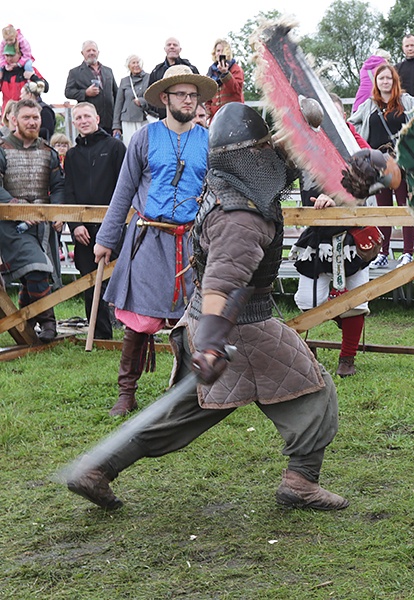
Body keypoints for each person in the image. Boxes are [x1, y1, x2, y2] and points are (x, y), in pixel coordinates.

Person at [66, 102, 349, 513]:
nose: (277, 154)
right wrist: (213, 343)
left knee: (187, 411)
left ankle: (96, 468)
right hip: (237, 325)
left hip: (210, 321)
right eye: (268, 147)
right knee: (313, 389)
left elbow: (288, 163)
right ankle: (301, 482)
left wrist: (330, 146)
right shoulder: (241, 216)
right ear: (251, 155)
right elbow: (223, 281)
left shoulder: (232, 182)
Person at [94, 65, 216, 416]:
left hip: (192, 243)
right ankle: (126, 392)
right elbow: (124, 191)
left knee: (195, 320)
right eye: (181, 94)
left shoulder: (208, 141)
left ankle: (193, 393)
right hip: (149, 238)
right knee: (140, 319)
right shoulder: (144, 139)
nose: (189, 101)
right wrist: (106, 238)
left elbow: (218, 191)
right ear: (165, 98)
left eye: (193, 95)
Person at [293, 94, 377, 378]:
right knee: (308, 301)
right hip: (318, 235)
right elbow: (297, 188)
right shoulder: (307, 147)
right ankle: (330, 324)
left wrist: (337, 199)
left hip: (352, 233)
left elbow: (369, 180)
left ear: (342, 116)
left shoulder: (356, 145)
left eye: (334, 114)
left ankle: (348, 357)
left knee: (357, 300)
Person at [0, 98, 65, 343]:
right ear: (14, 119)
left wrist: (56, 212)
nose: (32, 122)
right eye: (26, 117)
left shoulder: (48, 151)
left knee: (38, 274)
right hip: (11, 225)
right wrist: (19, 207)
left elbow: (58, 186)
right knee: (37, 266)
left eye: (35, 117)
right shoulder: (2, 148)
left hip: (43, 223)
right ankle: (49, 322)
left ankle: (26, 322)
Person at [63, 102, 127, 341]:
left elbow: (125, 187)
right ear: (74, 123)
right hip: (83, 230)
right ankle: (99, 336)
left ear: (97, 118)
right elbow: (68, 191)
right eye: (78, 117)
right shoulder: (71, 155)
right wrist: (75, 225)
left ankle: (132, 332)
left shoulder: (115, 148)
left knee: (118, 280)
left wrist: (115, 226)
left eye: (87, 116)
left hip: (113, 226)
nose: (83, 120)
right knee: (89, 282)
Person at [348, 63, 414, 268]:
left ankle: (407, 253)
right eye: (381, 79)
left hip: (403, 163)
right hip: (378, 165)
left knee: (406, 208)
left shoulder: (406, 101)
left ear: (394, 80)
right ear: (376, 82)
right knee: (383, 209)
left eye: (388, 78)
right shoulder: (369, 105)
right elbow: (351, 125)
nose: (385, 82)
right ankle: (384, 252)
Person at [64, 41, 117, 134]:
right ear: (82, 53)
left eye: (94, 50)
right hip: (89, 121)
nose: (91, 53)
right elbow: (68, 92)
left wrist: (117, 121)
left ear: (98, 52)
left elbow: (116, 94)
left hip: (110, 120)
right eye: (88, 51)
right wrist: (85, 93)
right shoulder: (75, 72)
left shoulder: (108, 71)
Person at [147, 38, 200, 119]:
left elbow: (197, 92)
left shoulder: (190, 69)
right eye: (169, 45)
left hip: (186, 115)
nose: (172, 47)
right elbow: (151, 94)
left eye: (175, 45)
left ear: (180, 49)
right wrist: (159, 110)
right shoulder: (156, 71)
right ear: (165, 49)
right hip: (163, 116)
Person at [112, 55, 152, 146]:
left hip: (144, 118)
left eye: (138, 62)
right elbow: (119, 104)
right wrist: (116, 126)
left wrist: (143, 101)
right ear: (128, 66)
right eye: (133, 63)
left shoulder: (149, 78)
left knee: (145, 145)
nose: (136, 65)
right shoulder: (124, 81)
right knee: (130, 146)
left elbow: (153, 97)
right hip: (128, 119)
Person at [205, 39, 244, 118]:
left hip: (233, 115)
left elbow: (236, 90)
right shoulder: (211, 72)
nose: (220, 53)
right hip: (216, 117)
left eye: (223, 51)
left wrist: (225, 73)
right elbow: (208, 96)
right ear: (214, 53)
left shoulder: (235, 69)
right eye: (218, 51)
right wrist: (208, 110)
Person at [1, 48, 46, 112]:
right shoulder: (2, 73)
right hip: (9, 116)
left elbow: (46, 88)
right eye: (6, 55)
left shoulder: (30, 70)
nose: (9, 59)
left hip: (27, 115)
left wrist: (33, 77)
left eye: (12, 55)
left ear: (20, 54)